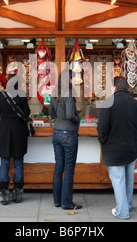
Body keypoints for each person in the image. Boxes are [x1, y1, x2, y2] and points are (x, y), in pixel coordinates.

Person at [97, 76, 137, 219]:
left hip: (113, 150)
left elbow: (102, 129)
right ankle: (128, 205)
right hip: (132, 149)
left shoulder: (108, 103)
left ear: (114, 88)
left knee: (118, 180)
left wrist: (104, 142)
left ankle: (122, 212)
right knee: (129, 179)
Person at [0, 74, 30, 205]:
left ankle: (4, 194)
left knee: (4, 162)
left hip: (4, 130)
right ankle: (18, 193)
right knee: (18, 161)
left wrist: (4, 112)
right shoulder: (22, 95)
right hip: (18, 130)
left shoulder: (0, 95)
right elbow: (26, 113)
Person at [49, 69, 82, 210]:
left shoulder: (54, 93)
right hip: (68, 133)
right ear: (68, 79)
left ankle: (57, 200)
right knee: (69, 170)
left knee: (58, 168)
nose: (74, 81)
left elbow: (51, 112)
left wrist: (59, 116)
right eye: (72, 78)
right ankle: (67, 202)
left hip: (56, 132)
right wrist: (78, 117)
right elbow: (70, 115)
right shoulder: (68, 93)